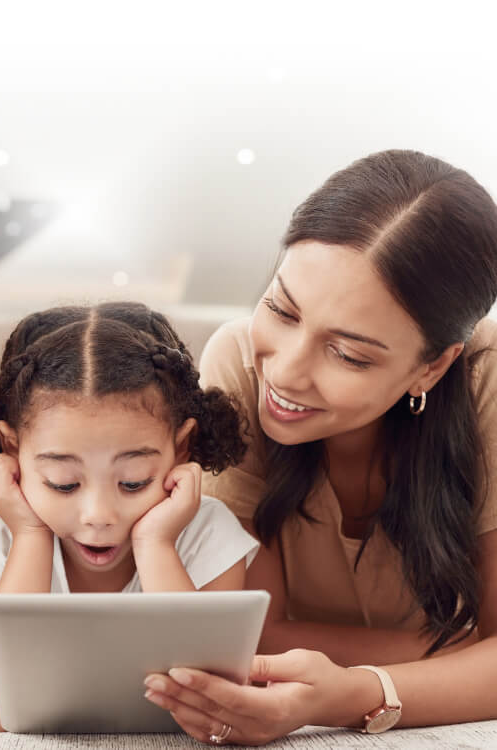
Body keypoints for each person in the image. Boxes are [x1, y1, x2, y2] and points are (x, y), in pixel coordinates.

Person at [142, 149, 497, 744]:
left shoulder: (486, 387)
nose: (285, 371)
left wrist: (359, 693)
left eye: (349, 354)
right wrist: (452, 651)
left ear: (432, 367)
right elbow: (246, 636)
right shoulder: (239, 364)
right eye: (281, 308)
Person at [0, 302, 259, 731]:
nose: (98, 516)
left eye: (133, 482)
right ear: (13, 451)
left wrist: (156, 545)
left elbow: (211, 702)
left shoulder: (208, 536)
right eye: (63, 483)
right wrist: (31, 536)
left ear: (180, 449)